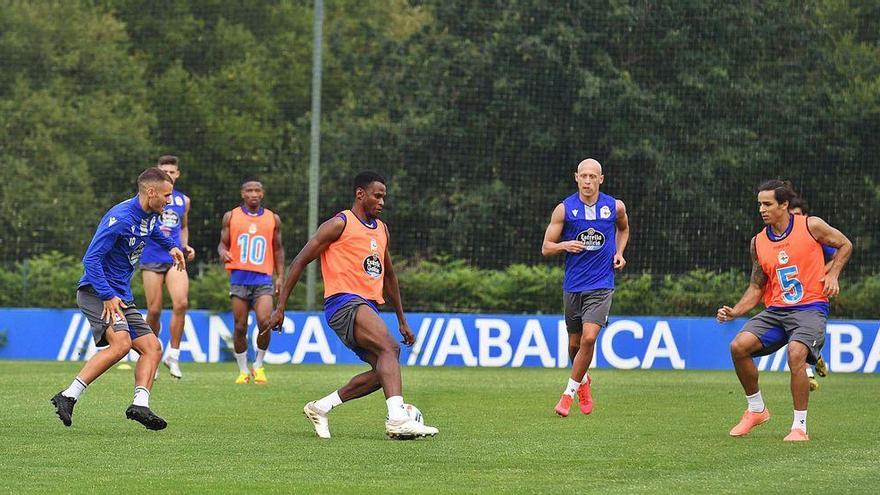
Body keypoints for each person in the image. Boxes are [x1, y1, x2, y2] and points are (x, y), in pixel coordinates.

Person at [266, 171, 439, 440]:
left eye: (384, 197)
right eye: (377, 196)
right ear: (360, 194)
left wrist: (402, 320)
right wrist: (281, 307)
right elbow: (299, 261)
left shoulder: (382, 229)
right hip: (343, 302)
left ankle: (320, 408)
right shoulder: (339, 224)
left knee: (383, 367)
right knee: (389, 349)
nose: (382, 202)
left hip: (367, 305)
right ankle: (397, 419)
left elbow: (389, 276)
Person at [50, 168, 186, 430]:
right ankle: (68, 396)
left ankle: (140, 404)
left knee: (152, 347)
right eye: (166, 196)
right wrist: (107, 295)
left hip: (120, 295)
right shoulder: (121, 218)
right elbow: (91, 259)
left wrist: (171, 246)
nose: (169, 201)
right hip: (97, 292)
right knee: (121, 344)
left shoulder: (149, 214)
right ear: (151, 192)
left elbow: (151, 231)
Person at [717, 180, 851, 442]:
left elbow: (845, 244)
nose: (762, 210)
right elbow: (757, 286)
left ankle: (799, 427)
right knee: (738, 347)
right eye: (759, 204)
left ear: (784, 205)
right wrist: (736, 311)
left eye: (767, 204)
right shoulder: (758, 242)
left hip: (811, 307)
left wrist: (833, 274)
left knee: (796, 353)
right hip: (777, 310)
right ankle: (757, 410)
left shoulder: (811, 226)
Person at [541, 158, 629, 417]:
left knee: (590, 338)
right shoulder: (565, 209)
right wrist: (564, 245)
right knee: (574, 345)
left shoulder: (614, 207)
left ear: (601, 179)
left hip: (602, 284)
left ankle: (567, 395)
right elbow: (546, 247)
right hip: (573, 286)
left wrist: (620, 253)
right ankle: (583, 381)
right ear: (576, 177)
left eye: (593, 176)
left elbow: (623, 230)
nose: (588, 181)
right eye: (584, 176)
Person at [749, 197, 834, 391]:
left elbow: (838, 253)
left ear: (804, 215)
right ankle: (815, 360)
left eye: (797, 214)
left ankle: (809, 373)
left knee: (798, 339)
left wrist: (825, 274)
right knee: (793, 335)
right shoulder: (770, 240)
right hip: (782, 298)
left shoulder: (813, 234)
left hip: (812, 296)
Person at [218, 178, 284, 384]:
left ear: (262, 194)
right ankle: (243, 369)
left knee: (265, 321)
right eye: (249, 190)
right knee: (240, 327)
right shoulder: (231, 216)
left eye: (257, 190)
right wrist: (223, 253)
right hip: (239, 278)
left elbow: (278, 248)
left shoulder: (273, 218)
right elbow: (222, 243)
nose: (253, 194)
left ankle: (259, 365)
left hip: (263, 278)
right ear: (242, 194)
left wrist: (280, 275)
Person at [140, 155, 195, 379]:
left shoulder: (183, 201)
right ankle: (151, 352)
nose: (169, 175)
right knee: (153, 310)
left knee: (181, 303)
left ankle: (173, 355)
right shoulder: (152, 197)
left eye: (172, 172)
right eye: (165, 172)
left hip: (175, 258)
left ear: (177, 174)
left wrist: (185, 245)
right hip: (151, 257)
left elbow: (183, 227)